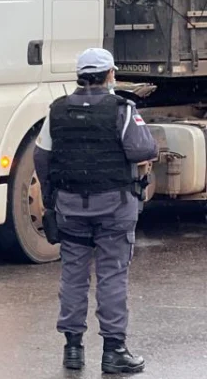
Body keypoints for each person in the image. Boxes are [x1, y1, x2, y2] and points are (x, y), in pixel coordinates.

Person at [35, 48, 158, 374]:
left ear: (79, 76)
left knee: (73, 277)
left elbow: (41, 157)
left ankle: (73, 350)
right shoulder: (122, 109)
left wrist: (51, 197)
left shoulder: (56, 111)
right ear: (109, 75)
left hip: (71, 208)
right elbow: (143, 149)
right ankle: (114, 351)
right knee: (112, 276)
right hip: (114, 207)